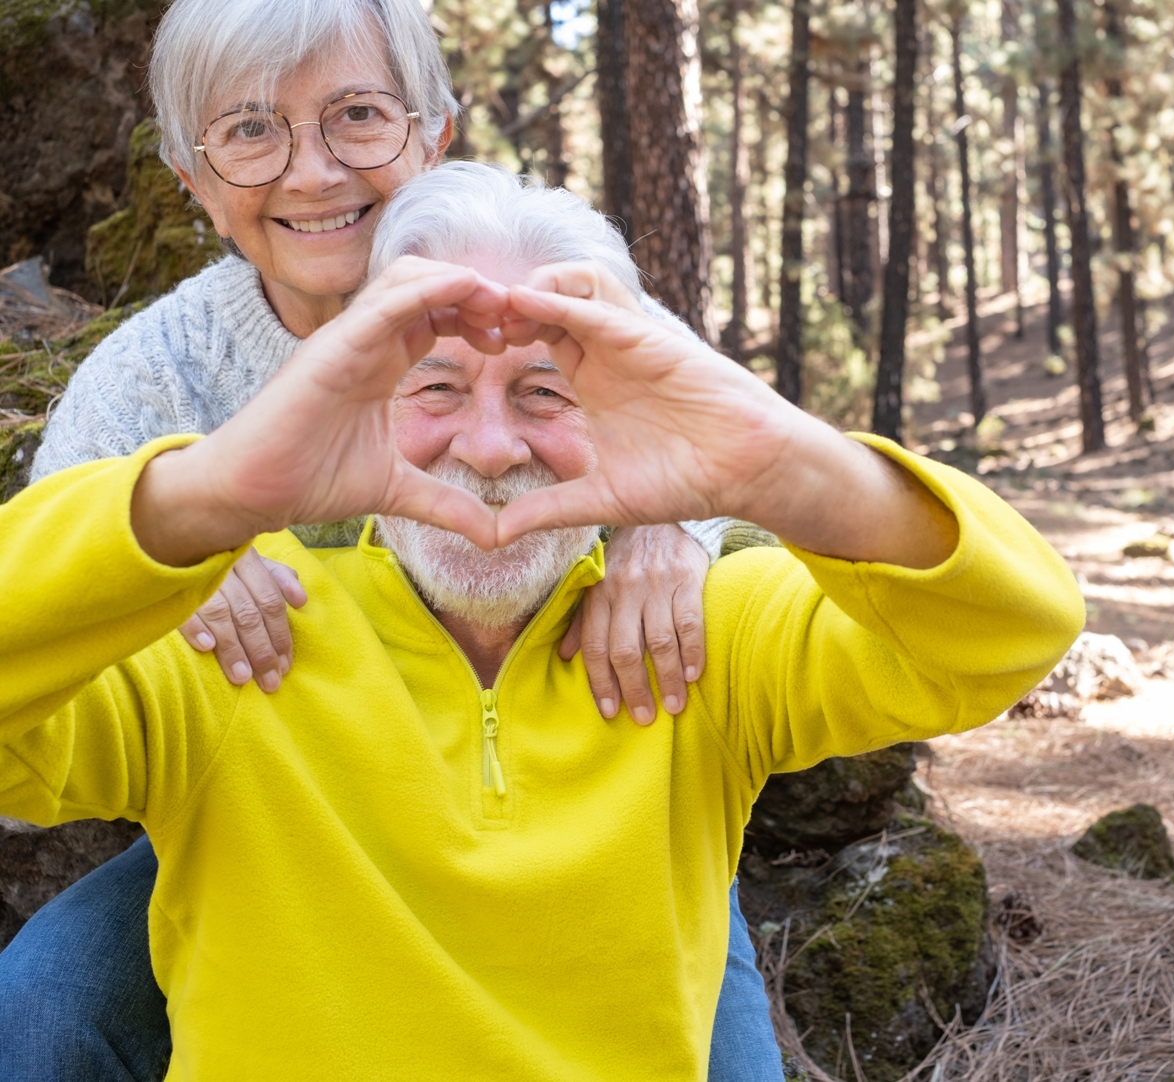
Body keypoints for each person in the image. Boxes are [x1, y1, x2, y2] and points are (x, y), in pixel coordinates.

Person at [0, 162, 1086, 1077]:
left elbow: (1007, 631)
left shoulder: (700, 638)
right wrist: (206, 498)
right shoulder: (230, 635)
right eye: (433, 387)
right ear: (355, 395)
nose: (488, 446)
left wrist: (777, 464)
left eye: (544, 393)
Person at [0, 1, 778, 1079]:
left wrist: (672, 532)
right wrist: (162, 563)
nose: (312, 172)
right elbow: (39, 639)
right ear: (191, 177)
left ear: (433, 133)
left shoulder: (541, 286)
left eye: (356, 116)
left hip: (595, 836)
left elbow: (710, 438)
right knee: (39, 1005)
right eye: (250, 131)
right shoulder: (144, 380)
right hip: (270, 841)